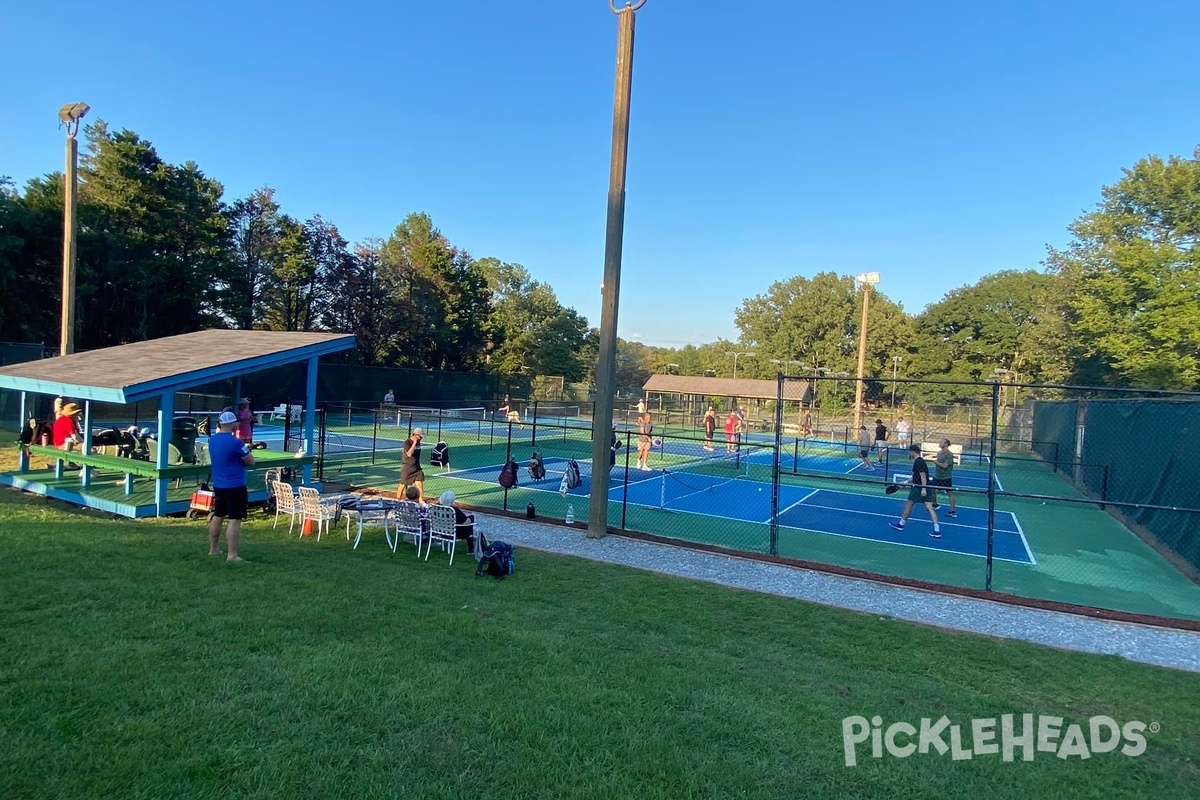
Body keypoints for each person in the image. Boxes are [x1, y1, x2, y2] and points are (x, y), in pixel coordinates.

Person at [207, 411, 254, 562]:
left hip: (219, 484)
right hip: (235, 485)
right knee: (235, 519)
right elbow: (250, 460)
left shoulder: (212, 440)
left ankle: (213, 549)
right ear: (233, 424)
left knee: (218, 516)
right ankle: (232, 555)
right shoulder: (236, 443)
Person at [889, 444, 941, 538]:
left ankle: (901, 524)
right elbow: (915, 476)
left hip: (918, 488)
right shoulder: (919, 461)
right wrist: (905, 482)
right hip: (923, 486)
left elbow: (923, 476)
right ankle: (937, 530)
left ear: (913, 451)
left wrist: (923, 488)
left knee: (908, 505)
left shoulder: (918, 462)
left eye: (910, 451)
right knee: (929, 508)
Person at [931, 438, 958, 518]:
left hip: (945, 477)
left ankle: (952, 511)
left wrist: (936, 462)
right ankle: (935, 504)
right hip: (937, 476)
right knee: (931, 489)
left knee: (950, 493)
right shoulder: (939, 453)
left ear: (946, 444)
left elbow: (945, 465)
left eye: (941, 442)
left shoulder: (949, 454)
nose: (939, 443)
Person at [398, 426, 426, 502]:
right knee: (402, 485)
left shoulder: (419, 442)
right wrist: (414, 443)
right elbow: (409, 454)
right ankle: (398, 501)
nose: (421, 438)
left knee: (419, 486)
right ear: (416, 435)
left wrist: (417, 442)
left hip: (417, 468)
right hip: (407, 467)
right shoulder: (407, 442)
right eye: (420, 436)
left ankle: (421, 503)